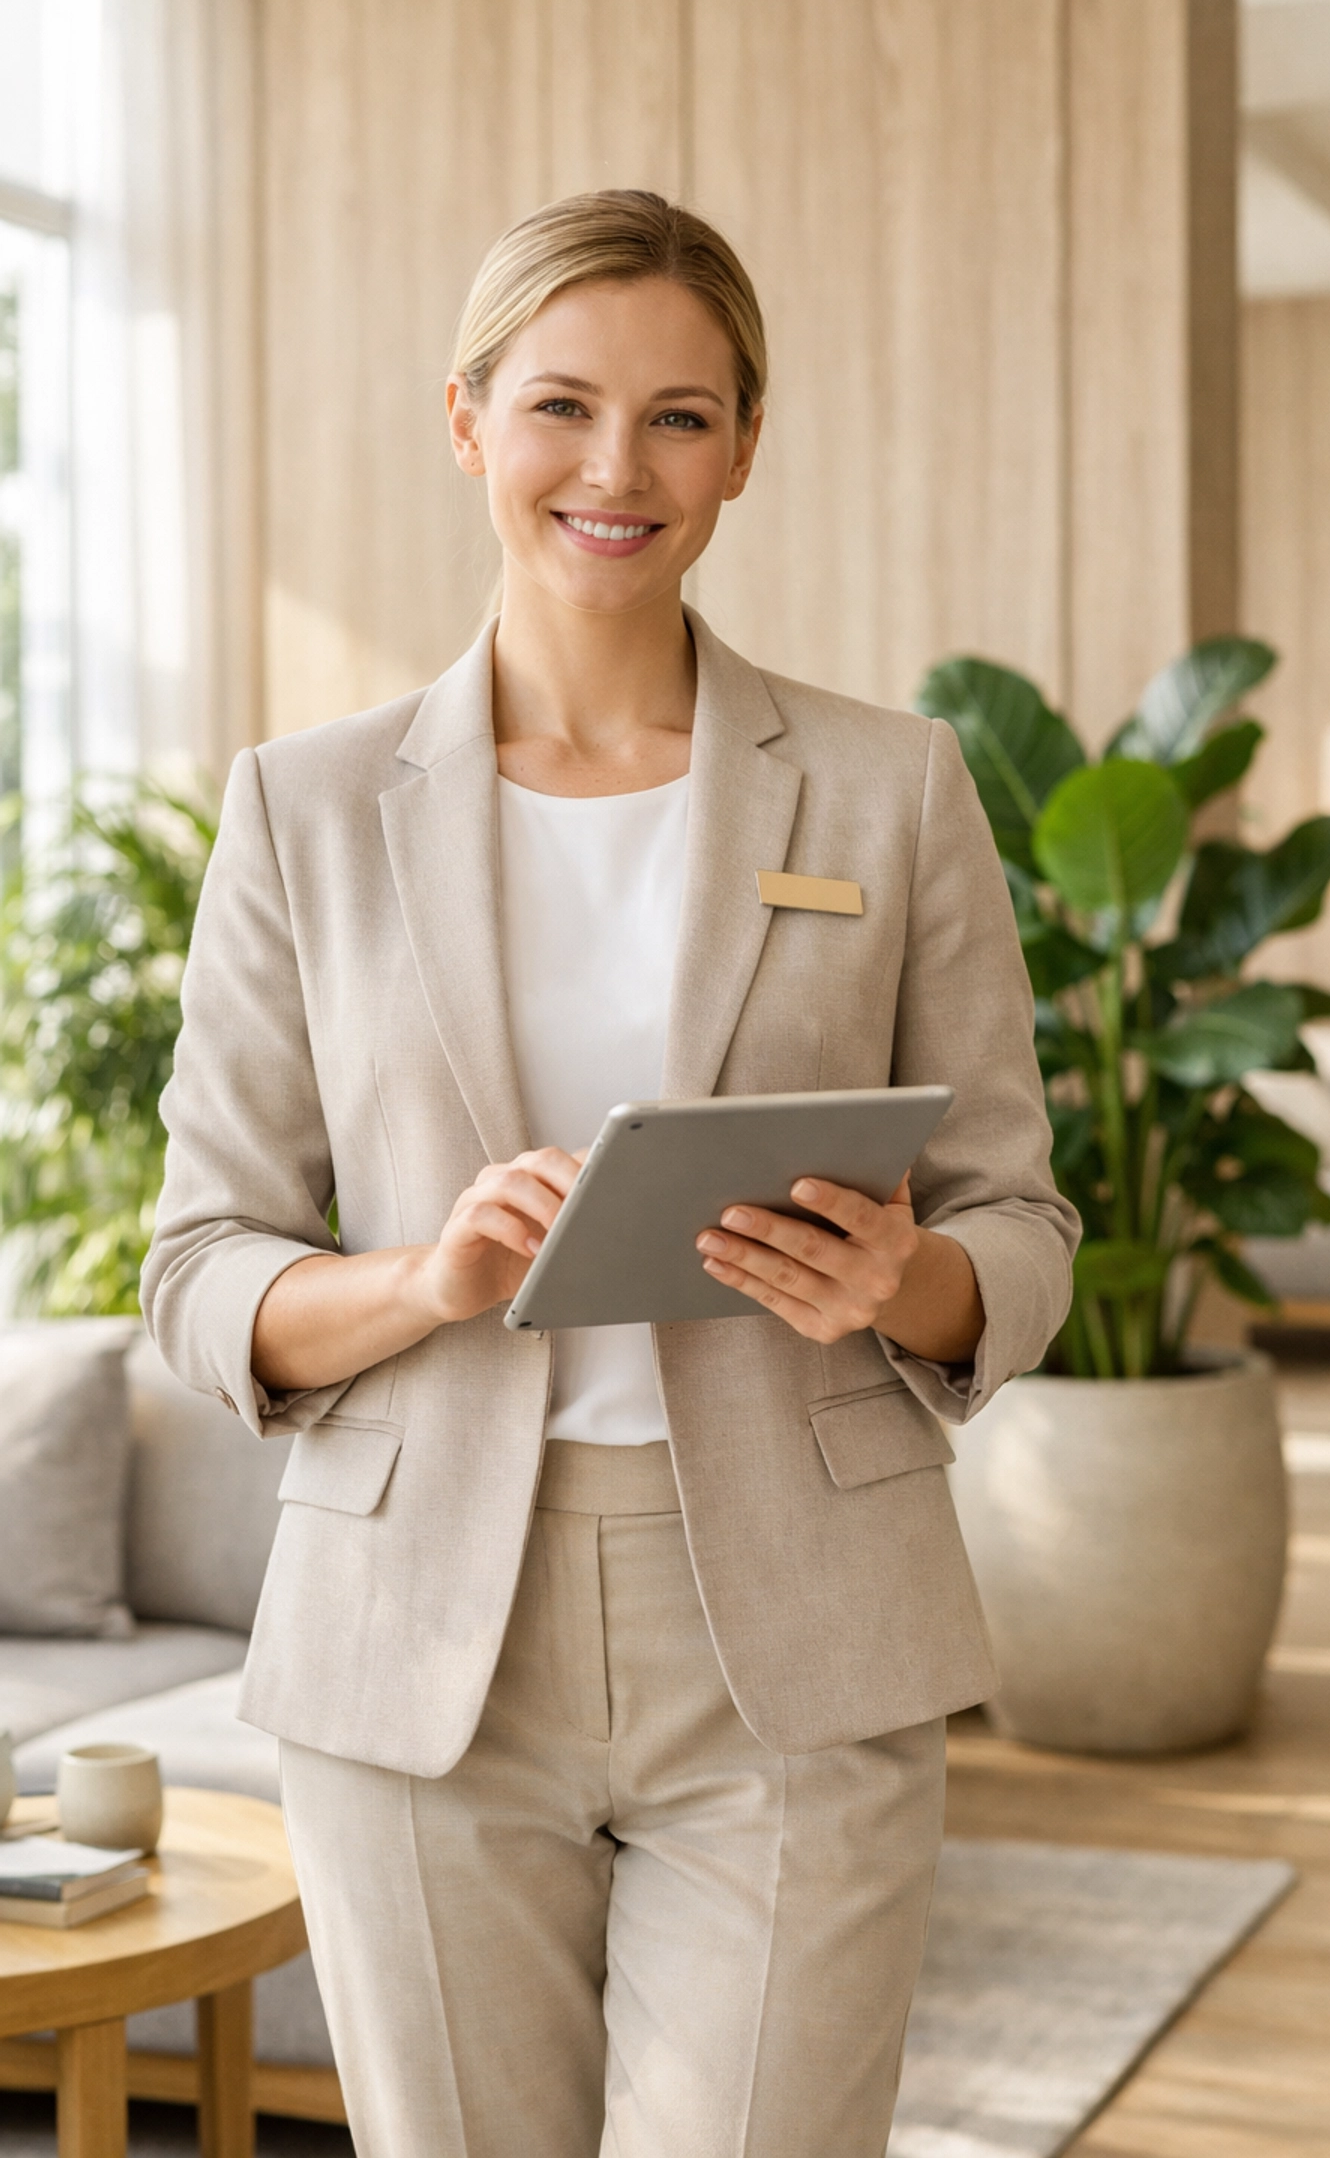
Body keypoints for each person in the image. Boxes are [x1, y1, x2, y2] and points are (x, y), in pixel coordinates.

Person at [143, 189, 1079, 2158]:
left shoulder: (891, 786)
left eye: (677, 416)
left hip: (797, 1614)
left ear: (745, 447)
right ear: (469, 421)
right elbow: (202, 1265)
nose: (614, 468)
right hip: (415, 1631)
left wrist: (900, 1282)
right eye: (563, 405)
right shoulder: (303, 809)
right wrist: (421, 1280)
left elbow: (1019, 1215)